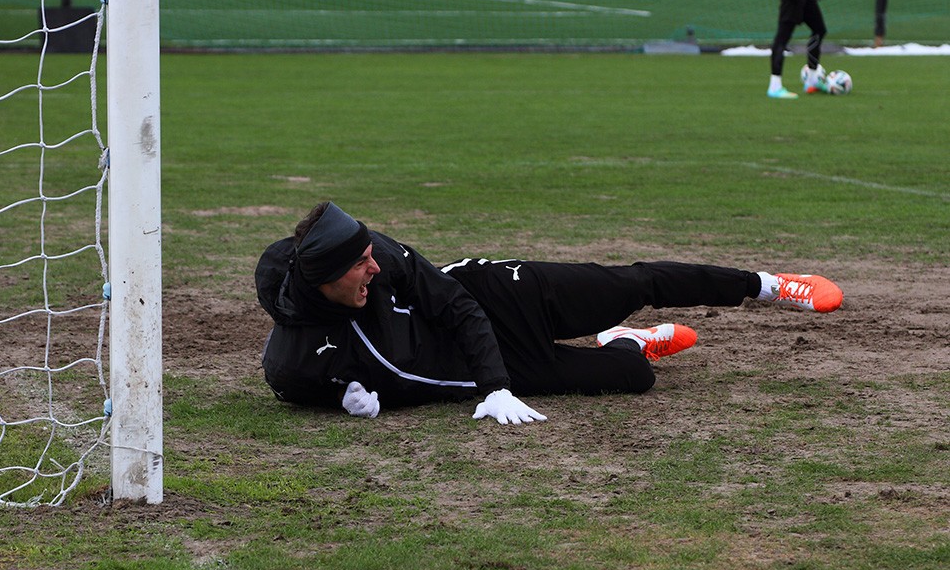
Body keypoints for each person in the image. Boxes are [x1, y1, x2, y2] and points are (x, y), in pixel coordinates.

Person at [255, 202, 843, 425]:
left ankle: (768, 284)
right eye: (359, 267)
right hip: (496, 367)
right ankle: (628, 342)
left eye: (370, 255)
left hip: (500, 298)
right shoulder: (296, 353)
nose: (374, 267)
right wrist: (342, 401)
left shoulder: (381, 252)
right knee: (632, 379)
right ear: (326, 282)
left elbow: (458, 306)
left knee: (633, 282)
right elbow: (293, 383)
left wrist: (493, 388)